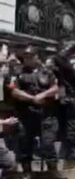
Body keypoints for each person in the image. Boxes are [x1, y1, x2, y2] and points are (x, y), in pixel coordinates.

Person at [9, 46, 60, 176]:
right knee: (25, 144)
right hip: (27, 114)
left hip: (46, 114)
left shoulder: (47, 72)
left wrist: (43, 95)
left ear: (37, 57)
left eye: (30, 56)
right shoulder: (18, 72)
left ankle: (52, 172)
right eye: (25, 57)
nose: (27, 59)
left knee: (48, 144)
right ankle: (27, 172)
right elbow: (14, 91)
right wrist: (32, 98)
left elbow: (56, 88)